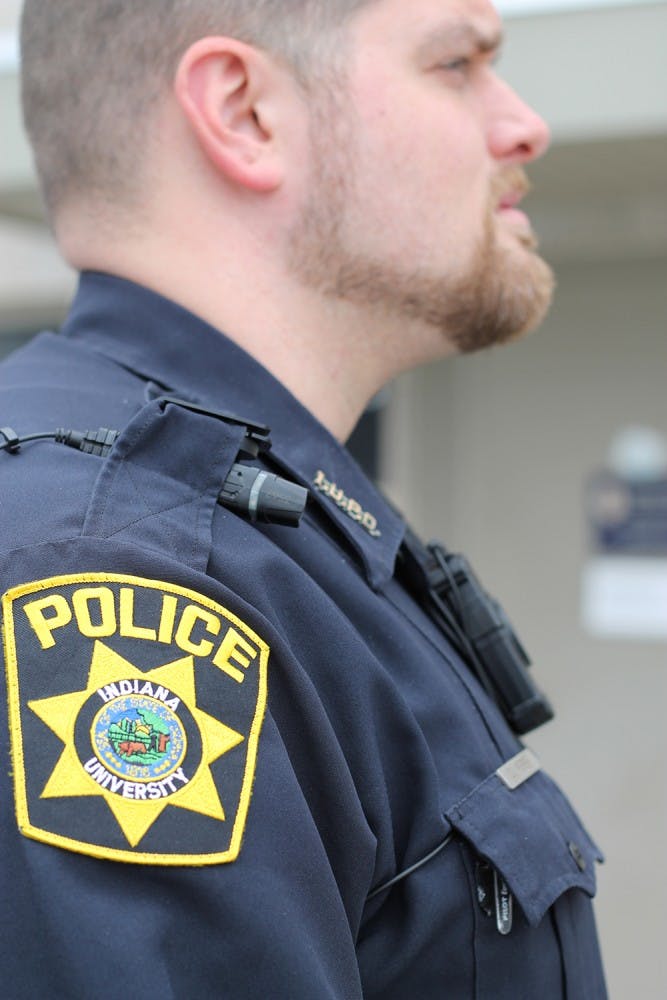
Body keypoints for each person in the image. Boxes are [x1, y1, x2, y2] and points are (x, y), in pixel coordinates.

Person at [0, 0, 607, 996]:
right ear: (242, 112)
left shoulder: (268, 530)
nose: (523, 125)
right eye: (455, 64)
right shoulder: (121, 564)